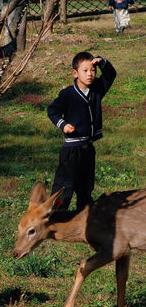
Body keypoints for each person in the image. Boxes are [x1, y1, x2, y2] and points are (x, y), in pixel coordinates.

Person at [47, 51, 116, 212]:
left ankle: (83, 217)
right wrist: (63, 124)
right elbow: (52, 111)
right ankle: (55, 217)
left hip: (88, 148)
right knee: (64, 187)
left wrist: (102, 62)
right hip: (71, 150)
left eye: (93, 70)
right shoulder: (68, 94)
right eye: (85, 70)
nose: (90, 74)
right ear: (75, 73)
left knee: (85, 188)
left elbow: (111, 75)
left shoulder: (96, 90)